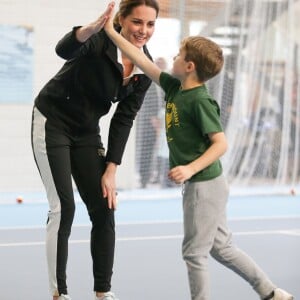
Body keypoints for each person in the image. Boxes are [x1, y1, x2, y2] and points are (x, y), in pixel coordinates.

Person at [103, 6, 294, 300]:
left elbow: (221, 144)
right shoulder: (174, 86)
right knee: (222, 247)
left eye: (179, 57)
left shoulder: (200, 101)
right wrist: (109, 31)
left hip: (205, 184)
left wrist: (190, 168)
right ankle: (270, 292)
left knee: (194, 253)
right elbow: (141, 58)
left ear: (189, 66)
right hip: (206, 185)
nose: (175, 59)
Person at [31, 1, 159, 299]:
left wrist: (112, 167)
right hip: (53, 121)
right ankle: (58, 293)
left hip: (87, 133)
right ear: (122, 20)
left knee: (104, 207)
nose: (143, 30)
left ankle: (103, 292)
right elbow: (64, 50)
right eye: (137, 22)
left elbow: (124, 118)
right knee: (63, 208)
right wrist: (89, 29)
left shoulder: (144, 67)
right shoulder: (99, 40)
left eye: (150, 24)